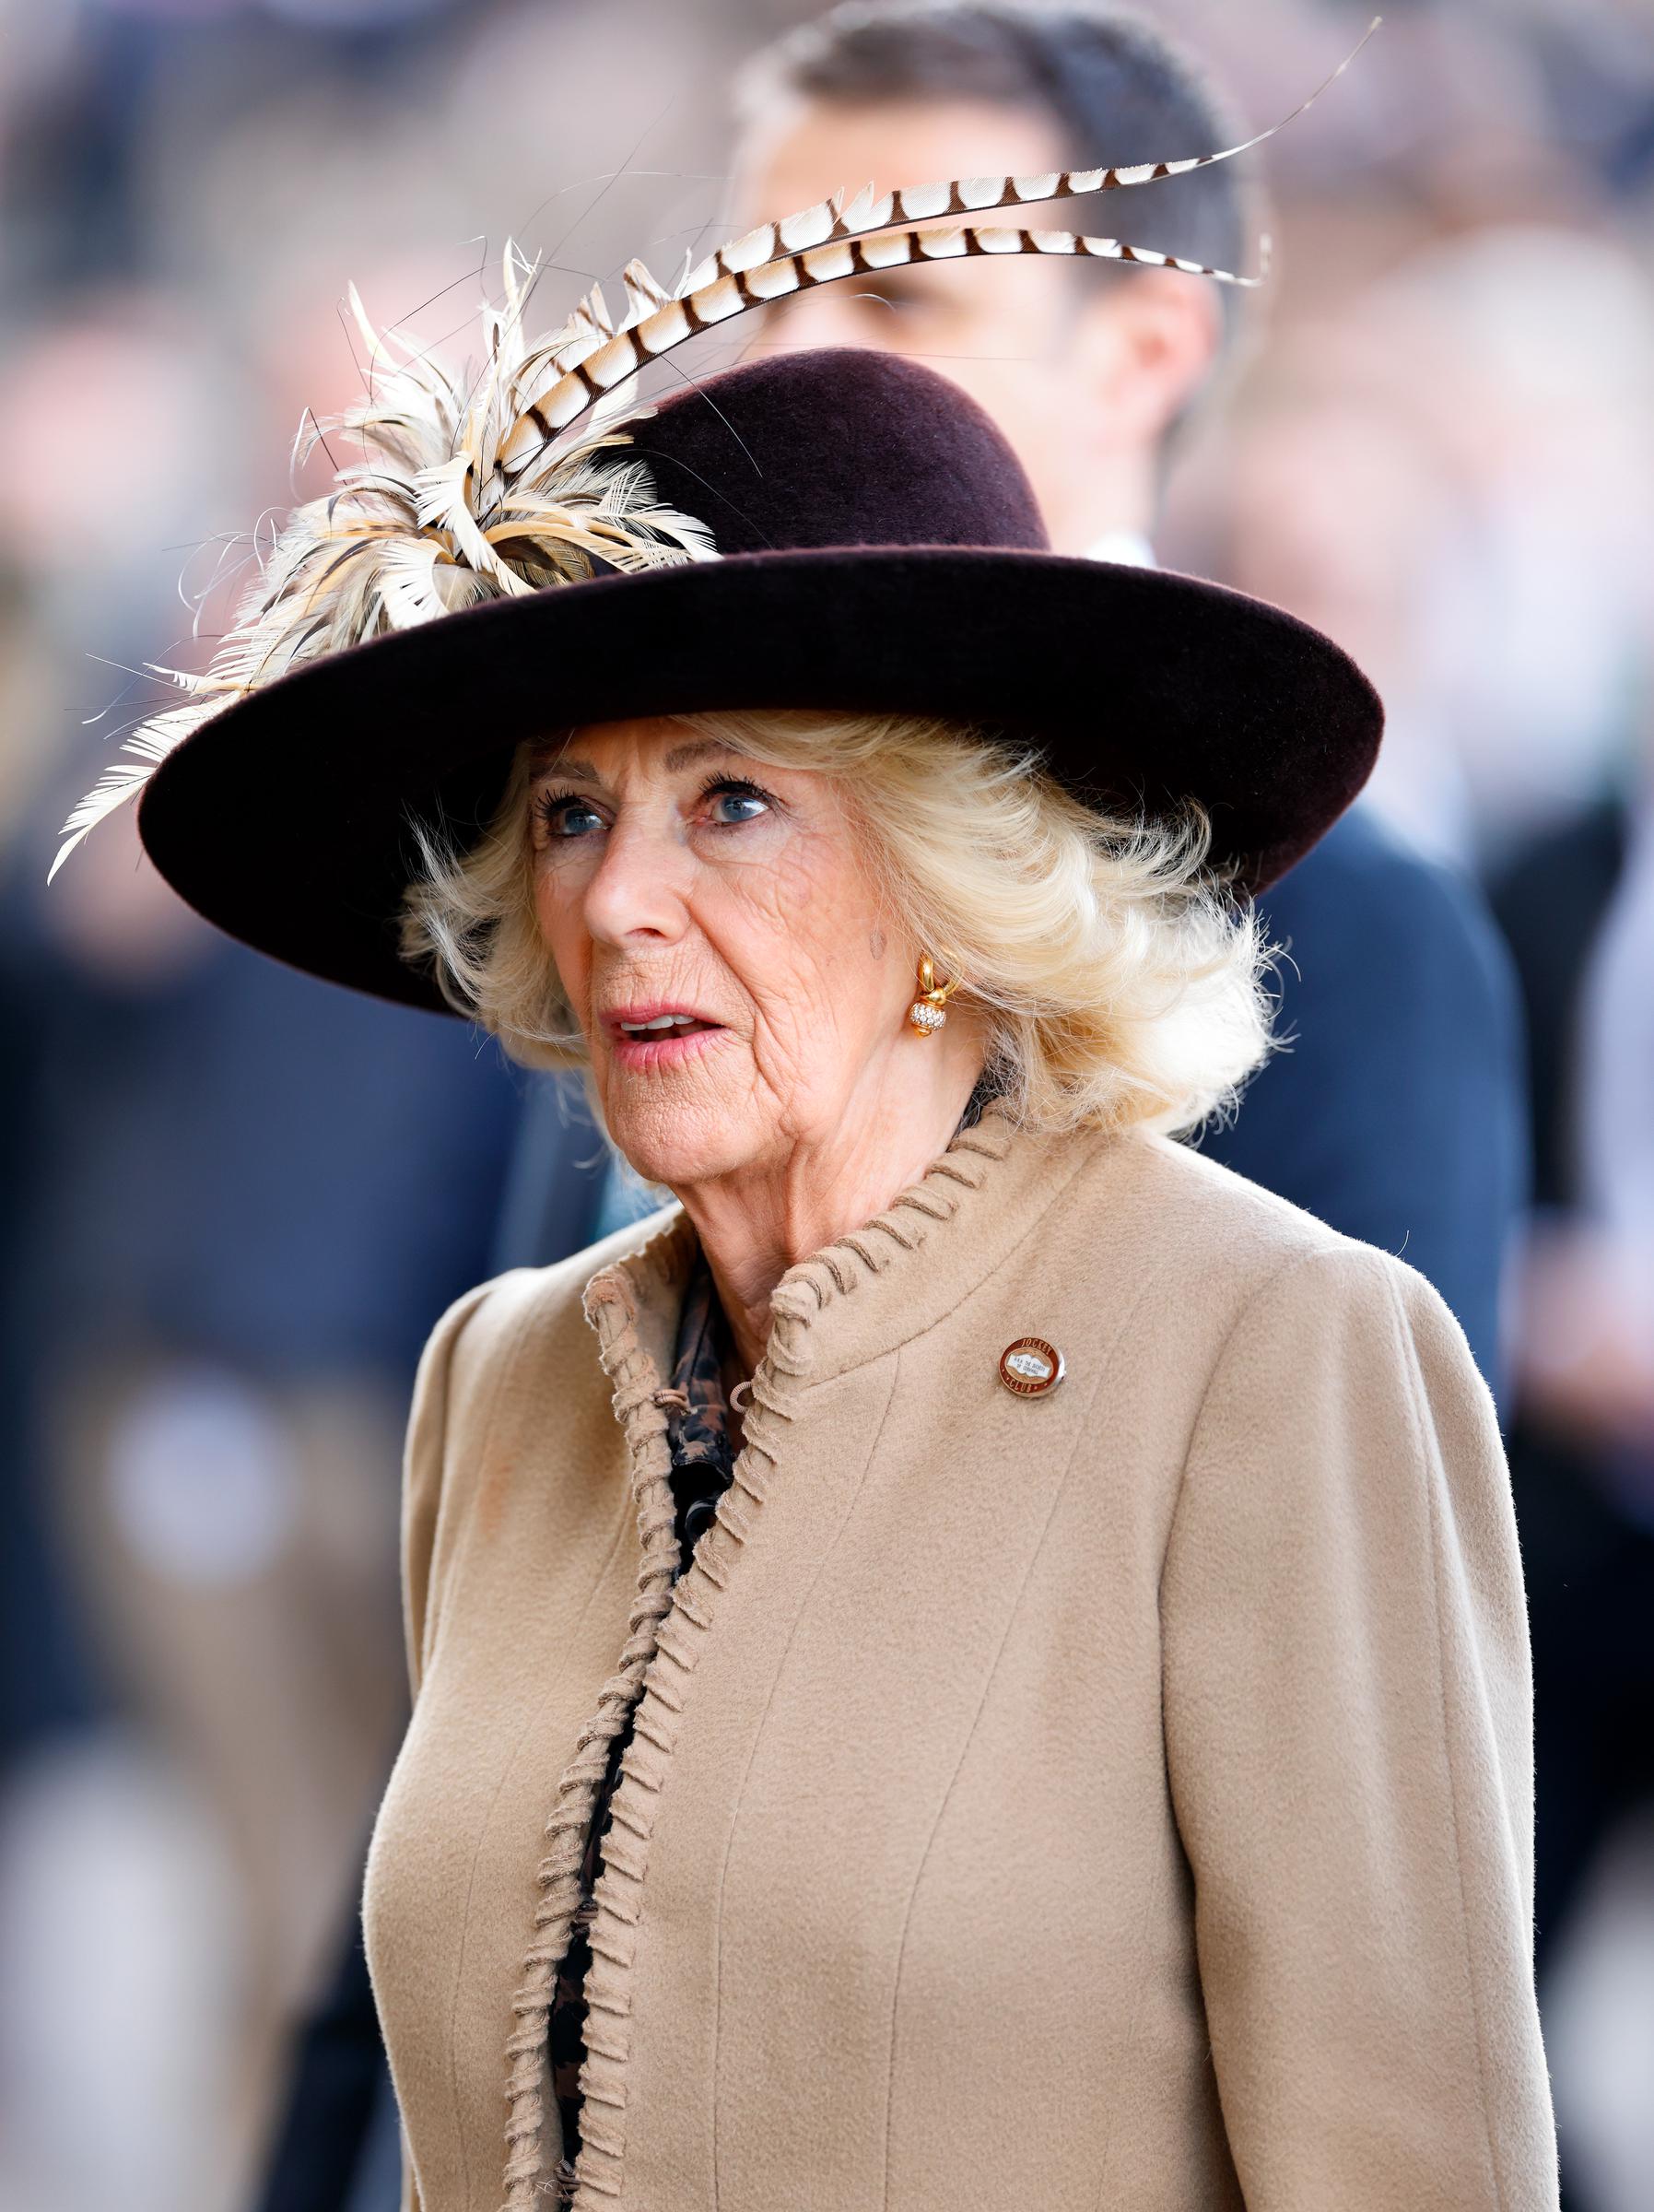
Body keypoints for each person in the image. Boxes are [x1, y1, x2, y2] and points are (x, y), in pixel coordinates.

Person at [56, 152, 1558, 2206]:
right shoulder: (499, 1385)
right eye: (571, 814)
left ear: (958, 884)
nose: (618, 904)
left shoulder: (1275, 1355)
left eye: (733, 801)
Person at [499, 0, 1525, 1406]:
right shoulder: (623, 825)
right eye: (751, 295)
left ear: (1143, 352)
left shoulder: (1349, 924)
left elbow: (1368, 1537)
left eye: (896, 292)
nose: (780, 356)